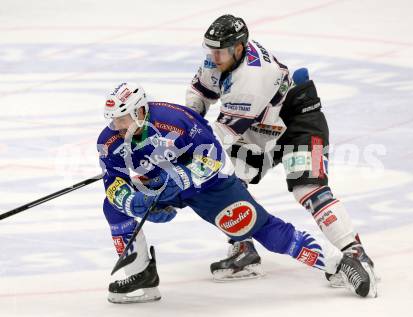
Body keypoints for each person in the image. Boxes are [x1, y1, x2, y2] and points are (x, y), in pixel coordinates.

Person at [97, 82, 377, 303]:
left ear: (140, 111)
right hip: (163, 187)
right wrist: (133, 201)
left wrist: (183, 177)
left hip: (210, 186)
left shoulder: (177, 119)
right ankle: (140, 274)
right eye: (113, 120)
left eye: (122, 119)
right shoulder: (109, 141)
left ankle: (340, 264)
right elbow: (113, 182)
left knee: (261, 228)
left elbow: (214, 158)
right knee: (112, 207)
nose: (116, 127)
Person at [185, 14, 376, 285]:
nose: (214, 58)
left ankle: (355, 253)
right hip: (260, 127)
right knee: (225, 183)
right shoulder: (221, 56)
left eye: (220, 52)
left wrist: (183, 146)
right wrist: (187, 122)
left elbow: (221, 136)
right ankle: (243, 248)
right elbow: (201, 94)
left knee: (308, 188)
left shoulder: (252, 78)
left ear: (239, 48)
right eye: (211, 50)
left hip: (298, 121)